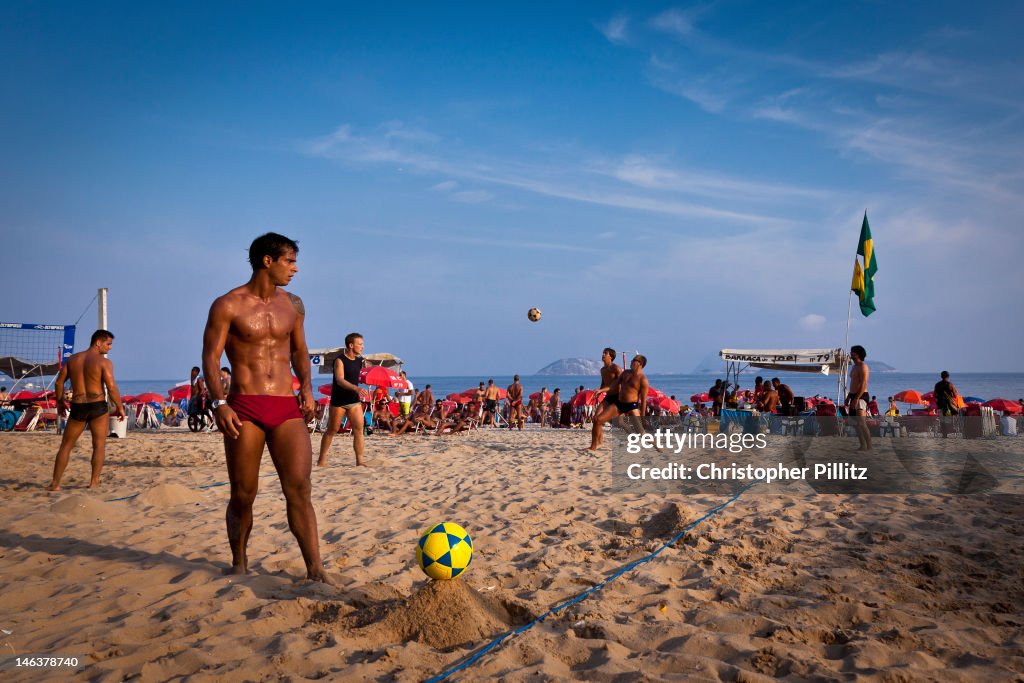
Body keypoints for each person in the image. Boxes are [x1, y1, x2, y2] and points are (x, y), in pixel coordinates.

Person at [202, 232, 329, 582]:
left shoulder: (295, 304)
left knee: (300, 487)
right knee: (244, 493)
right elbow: (210, 359)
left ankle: (316, 569)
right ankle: (239, 562)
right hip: (245, 406)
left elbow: (300, 351)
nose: (296, 269)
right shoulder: (228, 304)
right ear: (267, 261)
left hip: (286, 406)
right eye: (290, 261)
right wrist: (219, 403)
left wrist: (306, 387)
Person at [47, 329, 125, 490]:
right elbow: (111, 387)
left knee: (66, 446)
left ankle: (55, 484)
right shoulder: (104, 363)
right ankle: (94, 482)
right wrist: (120, 408)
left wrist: (60, 402)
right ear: (98, 342)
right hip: (97, 406)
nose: (110, 348)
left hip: (78, 406)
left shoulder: (73, 359)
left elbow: (59, 383)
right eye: (108, 344)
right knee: (99, 445)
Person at [318, 332, 366, 467]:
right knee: (332, 430)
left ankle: (360, 461)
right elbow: (339, 380)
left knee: (359, 430)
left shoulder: (359, 360)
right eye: (360, 344)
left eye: (362, 344)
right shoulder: (339, 360)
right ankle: (321, 460)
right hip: (339, 401)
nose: (362, 346)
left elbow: (355, 376)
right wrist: (356, 388)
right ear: (351, 345)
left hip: (354, 401)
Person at [589, 347, 622, 450]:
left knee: (617, 423)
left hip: (617, 398)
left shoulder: (616, 368)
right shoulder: (602, 370)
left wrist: (601, 390)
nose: (603, 354)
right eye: (603, 353)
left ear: (611, 357)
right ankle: (595, 445)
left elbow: (618, 385)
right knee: (596, 419)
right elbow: (604, 384)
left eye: (605, 353)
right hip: (608, 397)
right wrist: (599, 391)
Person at [845, 345, 871, 451]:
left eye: (853, 352)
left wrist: (856, 398)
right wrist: (848, 397)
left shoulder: (863, 366)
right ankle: (862, 445)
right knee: (855, 424)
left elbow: (863, 384)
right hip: (853, 395)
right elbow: (853, 383)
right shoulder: (854, 366)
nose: (851, 354)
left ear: (858, 354)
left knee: (861, 423)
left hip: (861, 396)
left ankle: (869, 446)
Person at [934, 371, 959, 438]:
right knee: (949, 420)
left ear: (941, 376)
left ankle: (944, 435)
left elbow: (934, 395)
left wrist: (940, 397)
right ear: (948, 376)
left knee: (942, 421)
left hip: (940, 405)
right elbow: (955, 395)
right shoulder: (950, 385)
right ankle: (947, 433)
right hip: (949, 406)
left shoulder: (937, 385)